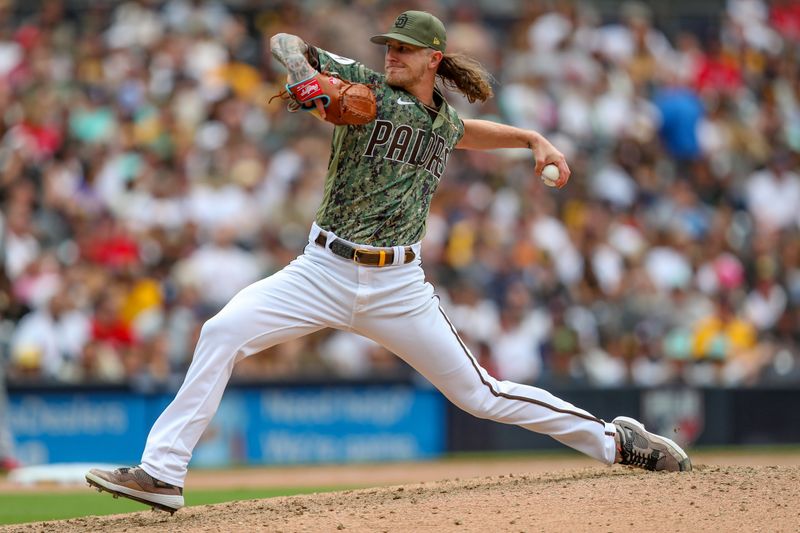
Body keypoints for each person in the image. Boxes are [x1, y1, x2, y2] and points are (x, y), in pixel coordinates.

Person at [86, 10, 691, 513]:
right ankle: (163, 473)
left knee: (480, 394)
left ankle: (616, 442)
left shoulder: (441, 119)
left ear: (433, 59)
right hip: (320, 271)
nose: (391, 56)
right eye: (389, 47)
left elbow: (465, 131)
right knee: (222, 332)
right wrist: (305, 73)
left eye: (404, 50)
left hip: (399, 285)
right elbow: (285, 42)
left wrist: (532, 139)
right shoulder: (364, 84)